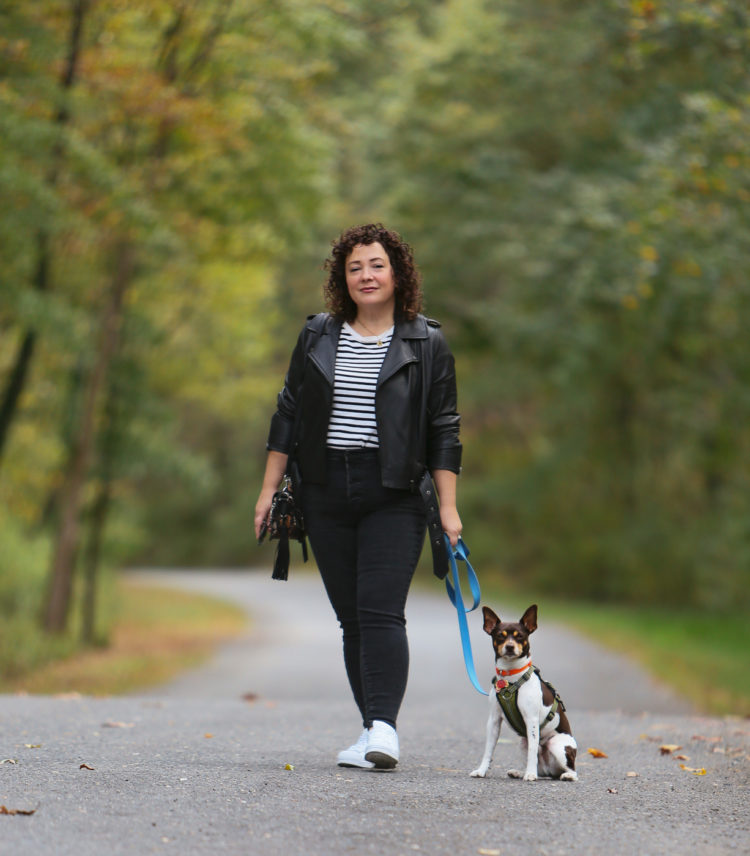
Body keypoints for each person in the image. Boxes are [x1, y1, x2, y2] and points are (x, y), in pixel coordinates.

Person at [254, 223, 462, 770]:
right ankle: (372, 728)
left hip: (392, 491)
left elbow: (444, 428)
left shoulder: (425, 341)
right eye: (354, 268)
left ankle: (386, 729)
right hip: (324, 490)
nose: (365, 276)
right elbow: (289, 412)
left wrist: (448, 508)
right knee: (351, 617)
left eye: (375, 265)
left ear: (397, 273)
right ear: (341, 279)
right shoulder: (318, 335)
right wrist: (269, 489)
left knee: (381, 613)